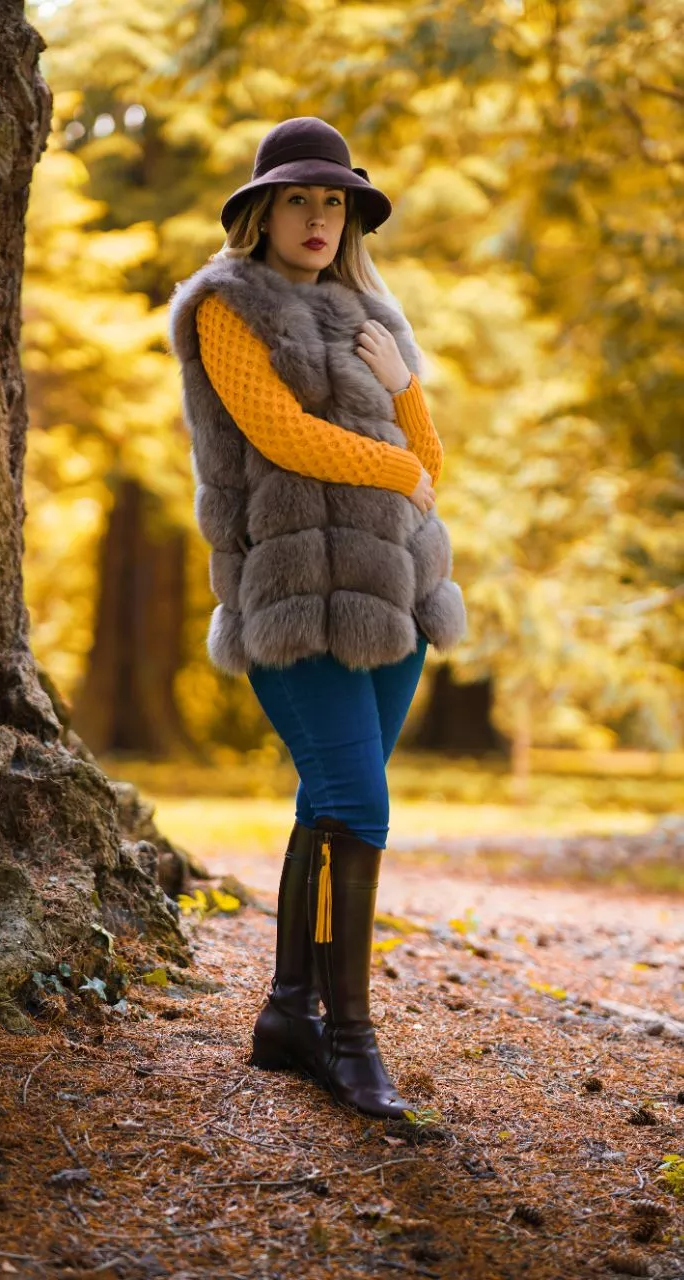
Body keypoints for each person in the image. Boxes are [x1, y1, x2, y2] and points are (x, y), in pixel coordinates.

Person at [168, 117, 466, 1120]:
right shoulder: (223, 305)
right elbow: (282, 435)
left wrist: (401, 386)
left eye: (332, 201)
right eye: (298, 199)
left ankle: (288, 1011)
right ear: (260, 212)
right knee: (356, 800)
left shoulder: (368, 311)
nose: (316, 218)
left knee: (333, 807)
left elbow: (429, 460)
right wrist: (398, 466)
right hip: (289, 603)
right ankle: (349, 1037)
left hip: (398, 598)